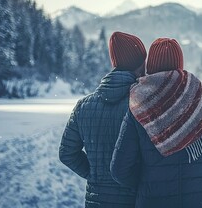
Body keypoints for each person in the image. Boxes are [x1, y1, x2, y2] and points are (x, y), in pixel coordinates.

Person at [110, 38, 202, 208]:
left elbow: (120, 170)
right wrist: (200, 186)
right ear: (180, 63)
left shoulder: (138, 103)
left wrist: (147, 186)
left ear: (150, 67)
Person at [59, 31, 147, 208]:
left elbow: (67, 153)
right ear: (138, 66)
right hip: (135, 200)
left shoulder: (83, 106)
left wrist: (94, 175)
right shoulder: (143, 104)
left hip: (97, 201)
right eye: (143, 62)